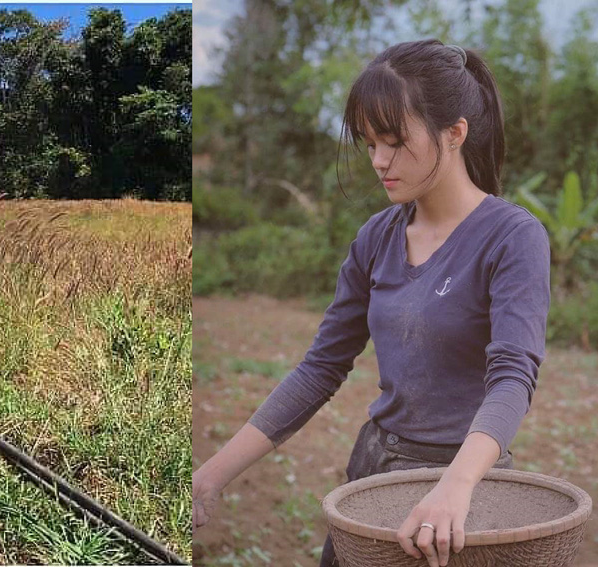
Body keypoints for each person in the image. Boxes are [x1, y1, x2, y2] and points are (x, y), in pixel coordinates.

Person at [192, 40, 549, 567]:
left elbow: (513, 375)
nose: (379, 161)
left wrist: (456, 486)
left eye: (395, 141)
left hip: (467, 490)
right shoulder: (376, 237)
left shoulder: (512, 236)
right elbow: (319, 369)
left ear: (455, 133)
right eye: (369, 143)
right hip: (375, 476)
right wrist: (210, 477)